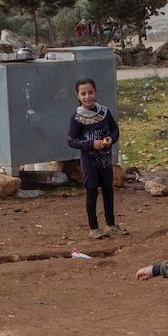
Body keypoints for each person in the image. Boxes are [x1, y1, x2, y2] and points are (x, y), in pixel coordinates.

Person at [67, 78, 126, 240]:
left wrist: (110, 139)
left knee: (108, 191)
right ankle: (93, 228)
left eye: (90, 92)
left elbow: (115, 130)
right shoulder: (77, 118)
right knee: (92, 193)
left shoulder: (105, 112)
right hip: (90, 162)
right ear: (78, 96)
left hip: (105, 161)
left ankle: (111, 224)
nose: (88, 97)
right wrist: (91, 144)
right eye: (83, 93)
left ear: (96, 92)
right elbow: (71, 140)